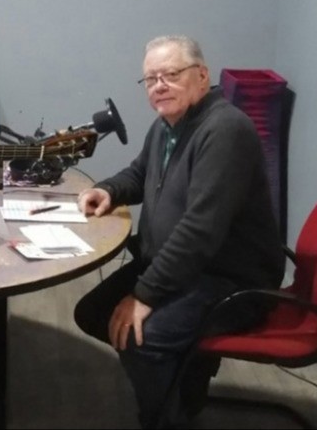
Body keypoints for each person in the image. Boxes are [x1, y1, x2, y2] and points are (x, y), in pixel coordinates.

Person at [73, 35, 284, 429]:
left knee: (143, 338)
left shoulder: (225, 130)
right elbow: (140, 173)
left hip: (229, 278)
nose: (159, 86)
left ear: (202, 75)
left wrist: (144, 295)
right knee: (93, 313)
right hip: (184, 266)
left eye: (171, 74)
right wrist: (109, 190)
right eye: (151, 79)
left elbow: (200, 231)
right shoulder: (166, 126)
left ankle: (168, 418)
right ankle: (190, 376)